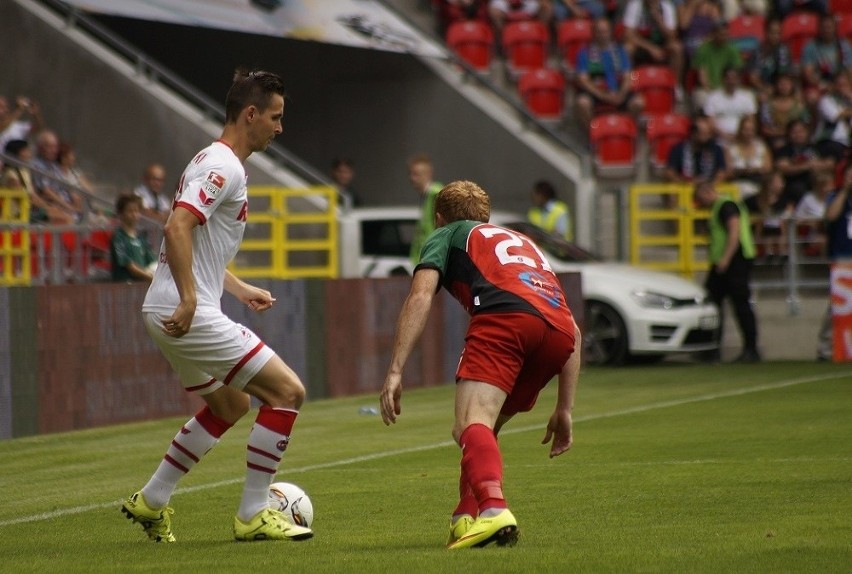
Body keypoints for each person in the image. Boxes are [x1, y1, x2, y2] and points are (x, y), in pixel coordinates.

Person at [121, 69, 313, 543]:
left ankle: (151, 500)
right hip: (184, 309)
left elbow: (196, 240)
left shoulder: (217, 162)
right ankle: (253, 513)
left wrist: (238, 286)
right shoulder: (222, 165)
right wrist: (191, 299)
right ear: (251, 114)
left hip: (169, 308)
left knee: (230, 404)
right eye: (275, 117)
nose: (280, 127)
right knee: (287, 392)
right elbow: (176, 230)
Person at [379, 180, 581, 549]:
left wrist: (394, 370)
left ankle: (493, 509)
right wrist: (564, 408)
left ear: (439, 218)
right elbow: (572, 326)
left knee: (469, 424)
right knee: (482, 431)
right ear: (487, 217)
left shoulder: (446, 233)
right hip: (560, 335)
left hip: (506, 318)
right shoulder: (524, 243)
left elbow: (420, 296)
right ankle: (464, 517)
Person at [693, 179, 761, 362]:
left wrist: (725, 259)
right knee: (713, 304)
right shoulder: (722, 206)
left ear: (707, 192)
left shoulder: (726, 206)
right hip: (725, 262)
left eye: (701, 199)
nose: (702, 204)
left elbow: (734, 232)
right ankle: (711, 349)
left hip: (733, 261)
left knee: (740, 305)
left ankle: (750, 349)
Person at [573, 18, 644, 131]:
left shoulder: (620, 52)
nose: (603, 35)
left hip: (618, 92)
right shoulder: (585, 53)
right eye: (599, 32)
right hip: (597, 93)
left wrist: (621, 95)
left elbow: (627, 77)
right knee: (582, 103)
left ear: (610, 32)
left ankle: (624, 130)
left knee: (638, 102)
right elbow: (583, 81)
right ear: (594, 33)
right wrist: (603, 95)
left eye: (605, 31)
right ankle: (594, 135)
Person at [817, 163, 852, 360]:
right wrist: (845, 191)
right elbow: (830, 216)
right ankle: (825, 348)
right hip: (843, 257)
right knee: (838, 305)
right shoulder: (836, 196)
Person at [0, 139, 75, 225]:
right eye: (26, 150)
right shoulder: (10, 174)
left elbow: (33, 194)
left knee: (63, 214)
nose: (29, 153)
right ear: (18, 152)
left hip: (29, 209)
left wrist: (48, 206)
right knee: (63, 218)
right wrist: (47, 208)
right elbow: (26, 198)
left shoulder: (24, 171)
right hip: (18, 213)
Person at [621, 0, 684, 91]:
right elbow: (628, 34)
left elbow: (672, 36)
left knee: (676, 48)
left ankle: (676, 87)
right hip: (642, 45)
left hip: (661, 45)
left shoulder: (666, 6)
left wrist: (658, 18)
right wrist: (650, 48)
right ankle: (630, 85)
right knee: (627, 48)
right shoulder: (635, 5)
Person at [774, 119, 834, 208]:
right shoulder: (785, 150)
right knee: (798, 189)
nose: (798, 135)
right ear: (789, 134)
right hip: (795, 183)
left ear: (807, 132)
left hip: (818, 182)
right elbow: (783, 168)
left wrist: (816, 165)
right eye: (794, 132)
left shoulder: (816, 147)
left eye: (801, 131)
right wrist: (807, 166)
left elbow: (830, 163)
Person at [31, 129, 85, 222]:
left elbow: (66, 186)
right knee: (69, 219)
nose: (54, 151)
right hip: (50, 205)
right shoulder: (37, 166)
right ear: (40, 148)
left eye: (56, 147)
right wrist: (68, 206)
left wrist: (76, 201)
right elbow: (46, 191)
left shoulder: (54, 165)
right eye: (50, 147)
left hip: (64, 203)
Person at [690, 20, 744, 111]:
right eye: (721, 34)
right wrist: (713, 91)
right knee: (702, 98)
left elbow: (736, 73)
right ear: (714, 34)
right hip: (708, 89)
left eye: (726, 34)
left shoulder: (732, 50)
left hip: (728, 88)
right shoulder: (703, 49)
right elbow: (702, 77)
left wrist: (726, 90)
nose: (724, 37)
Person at [703, 67, 758, 143]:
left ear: (738, 79)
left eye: (734, 78)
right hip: (719, 138)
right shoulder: (713, 97)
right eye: (728, 78)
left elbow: (751, 120)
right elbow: (710, 121)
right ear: (723, 79)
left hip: (742, 138)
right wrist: (724, 135)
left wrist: (740, 135)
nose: (731, 81)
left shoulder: (747, 97)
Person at [110, 193, 157, 282]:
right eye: (130, 211)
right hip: (125, 287)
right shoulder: (118, 238)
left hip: (141, 286)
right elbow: (130, 267)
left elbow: (152, 261)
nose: (134, 214)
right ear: (121, 213)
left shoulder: (141, 238)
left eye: (136, 211)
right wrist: (152, 278)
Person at [759, 72, 810, 151]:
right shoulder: (768, 105)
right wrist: (781, 133)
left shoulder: (799, 105)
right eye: (781, 84)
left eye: (786, 84)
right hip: (774, 138)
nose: (784, 87)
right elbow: (765, 128)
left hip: (796, 138)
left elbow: (806, 124)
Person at [408, 153, 443, 264]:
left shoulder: (436, 194)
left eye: (416, 174)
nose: (411, 178)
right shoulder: (427, 196)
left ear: (428, 174)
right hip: (426, 258)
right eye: (410, 174)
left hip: (432, 259)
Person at [727, 115, 772, 200]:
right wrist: (743, 171)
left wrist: (754, 170)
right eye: (746, 130)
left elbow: (768, 168)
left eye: (751, 130)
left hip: (759, 183)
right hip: (738, 183)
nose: (748, 133)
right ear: (740, 130)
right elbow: (728, 171)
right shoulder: (731, 148)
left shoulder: (761, 146)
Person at [813, 71, 852, 164]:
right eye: (839, 84)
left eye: (845, 84)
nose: (842, 88)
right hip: (830, 141)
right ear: (833, 85)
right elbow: (835, 116)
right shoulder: (826, 100)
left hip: (847, 142)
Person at [0, 95, 43, 161]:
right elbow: (2, 127)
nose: (6, 110)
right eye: (1, 107)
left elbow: (38, 127)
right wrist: (19, 109)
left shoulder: (17, 125)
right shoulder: (7, 123)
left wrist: (36, 114)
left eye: (6, 107)